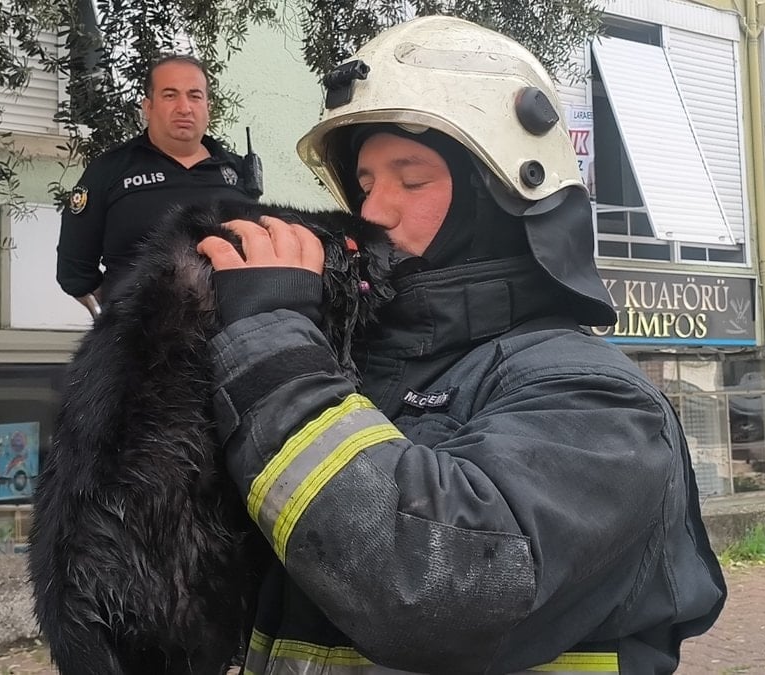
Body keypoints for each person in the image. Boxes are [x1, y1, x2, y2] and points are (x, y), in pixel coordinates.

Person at [195, 16, 726, 674]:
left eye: (411, 180)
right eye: (364, 184)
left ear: (500, 195)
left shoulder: (604, 403)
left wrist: (272, 345)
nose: (376, 209)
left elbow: (432, 587)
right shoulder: (353, 381)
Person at [56, 54, 259, 315]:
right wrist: (115, 314)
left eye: (195, 96)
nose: (184, 107)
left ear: (208, 106)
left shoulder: (237, 171)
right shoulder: (110, 170)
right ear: (148, 106)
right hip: (141, 337)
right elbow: (75, 270)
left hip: (231, 331)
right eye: (170, 95)